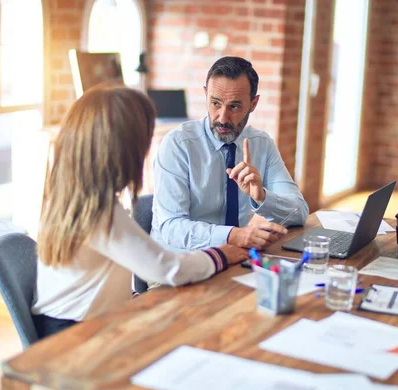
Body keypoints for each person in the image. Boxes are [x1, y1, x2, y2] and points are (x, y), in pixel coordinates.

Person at [32, 85, 247, 338]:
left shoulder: (69, 195)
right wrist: (222, 254)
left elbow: (103, 270)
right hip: (77, 335)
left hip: (75, 321)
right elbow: (166, 269)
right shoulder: (100, 212)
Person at [151, 56, 309, 251]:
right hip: (180, 264)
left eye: (234, 106)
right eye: (215, 103)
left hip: (233, 261)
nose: (223, 118)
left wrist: (262, 197)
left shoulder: (262, 144)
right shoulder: (178, 145)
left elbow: (299, 212)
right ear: (206, 94)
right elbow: (171, 228)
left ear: (253, 104)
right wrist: (234, 236)